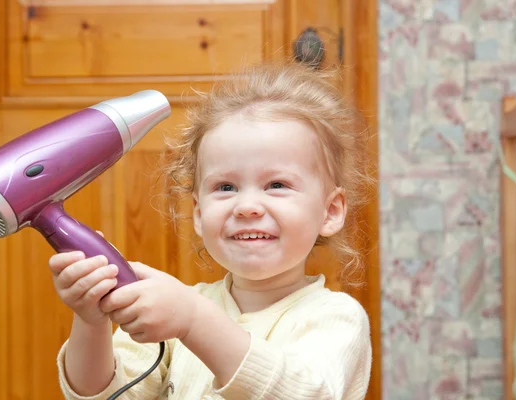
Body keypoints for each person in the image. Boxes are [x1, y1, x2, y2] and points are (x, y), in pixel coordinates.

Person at [49, 61, 374, 400]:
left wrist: (194, 321)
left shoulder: (336, 319)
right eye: (226, 187)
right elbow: (109, 394)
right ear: (200, 214)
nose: (247, 206)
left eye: (276, 184)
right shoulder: (175, 310)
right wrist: (91, 321)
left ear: (330, 211)